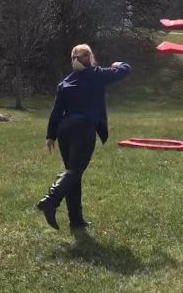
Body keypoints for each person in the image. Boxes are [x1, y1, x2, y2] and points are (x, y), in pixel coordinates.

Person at [37, 44, 131, 231]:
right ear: (89, 58)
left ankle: (76, 220)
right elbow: (125, 70)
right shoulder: (97, 74)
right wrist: (118, 63)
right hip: (83, 129)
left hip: (65, 131)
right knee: (75, 171)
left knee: (73, 173)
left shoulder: (65, 83)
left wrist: (51, 135)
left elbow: (56, 112)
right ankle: (51, 199)